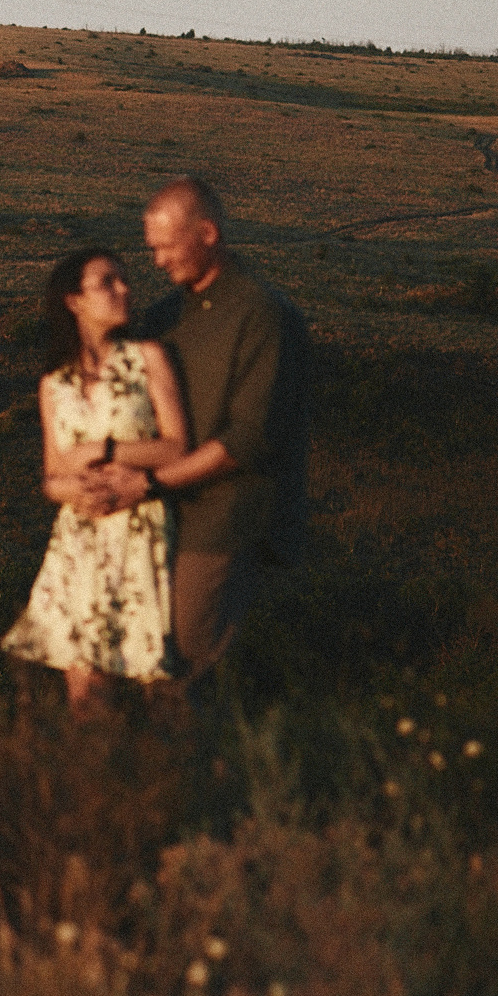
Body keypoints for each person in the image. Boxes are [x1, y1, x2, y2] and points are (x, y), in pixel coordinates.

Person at [85, 176, 309, 682]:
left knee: (179, 674)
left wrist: (148, 483)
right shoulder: (166, 316)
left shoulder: (263, 317)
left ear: (208, 234)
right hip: (160, 517)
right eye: (152, 249)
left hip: (223, 522)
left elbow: (246, 441)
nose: (158, 262)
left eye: (166, 247)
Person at [3, 246, 190, 715]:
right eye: (108, 282)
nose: (124, 289)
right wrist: (73, 489)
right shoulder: (55, 383)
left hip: (141, 534)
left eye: (124, 280)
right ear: (74, 301)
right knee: (86, 698)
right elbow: (50, 475)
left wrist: (103, 452)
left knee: (156, 688)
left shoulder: (148, 358)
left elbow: (177, 446)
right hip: (80, 543)